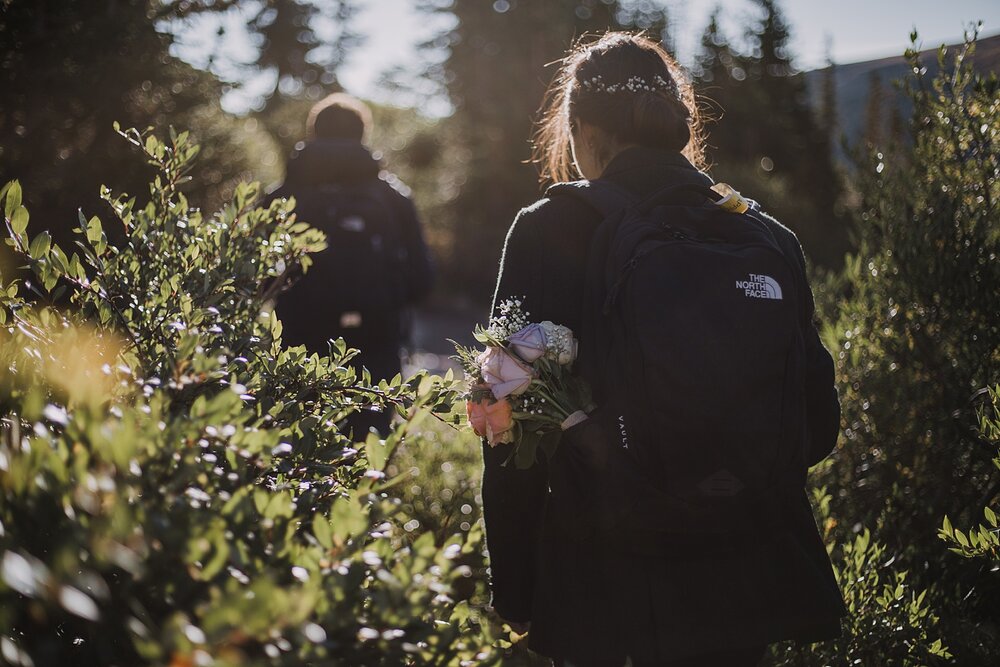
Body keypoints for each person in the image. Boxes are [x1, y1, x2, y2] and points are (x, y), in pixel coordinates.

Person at [482, 33, 846, 666]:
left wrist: (515, 583)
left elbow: (510, 424)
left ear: (579, 126)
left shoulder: (550, 227)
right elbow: (814, 426)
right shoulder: (763, 233)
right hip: (741, 579)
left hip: (603, 583)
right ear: (678, 119)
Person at [268, 93, 434, 436]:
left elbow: (253, 276)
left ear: (314, 132)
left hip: (298, 340)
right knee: (366, 450)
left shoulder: (283, 196)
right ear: (362, 134)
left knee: (296, 445)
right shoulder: (393, 198)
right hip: (375, 343)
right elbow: (423, 280)